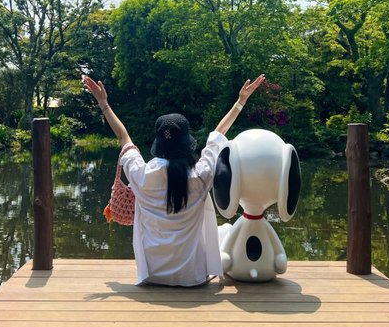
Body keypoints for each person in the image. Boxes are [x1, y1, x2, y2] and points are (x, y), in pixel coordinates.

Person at [82, 73, 266, 287]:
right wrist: (240, 101)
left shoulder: (142, 175)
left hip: (152, 276)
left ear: (158, 144)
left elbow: (123, 137)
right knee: (225, 230)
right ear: (187, 144)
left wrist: (103, 104)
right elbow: (218, 134)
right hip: (193, 278)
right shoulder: (201, 176)